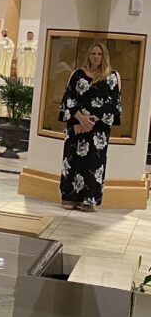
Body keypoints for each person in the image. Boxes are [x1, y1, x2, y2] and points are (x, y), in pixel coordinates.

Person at [59, 42, 121, 212]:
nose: (96, 57)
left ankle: (89, 199)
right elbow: (68, 98)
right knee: (72, 161)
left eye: (99, 54)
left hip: (98, 129)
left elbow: (113, 103)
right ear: (89, 55)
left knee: (94, 163)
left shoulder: (112, 76)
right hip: (76, 126)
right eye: (93, 53)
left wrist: (91, 121)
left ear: (104, 56)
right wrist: (80, 119)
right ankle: (69, 196)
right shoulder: (77, 74)